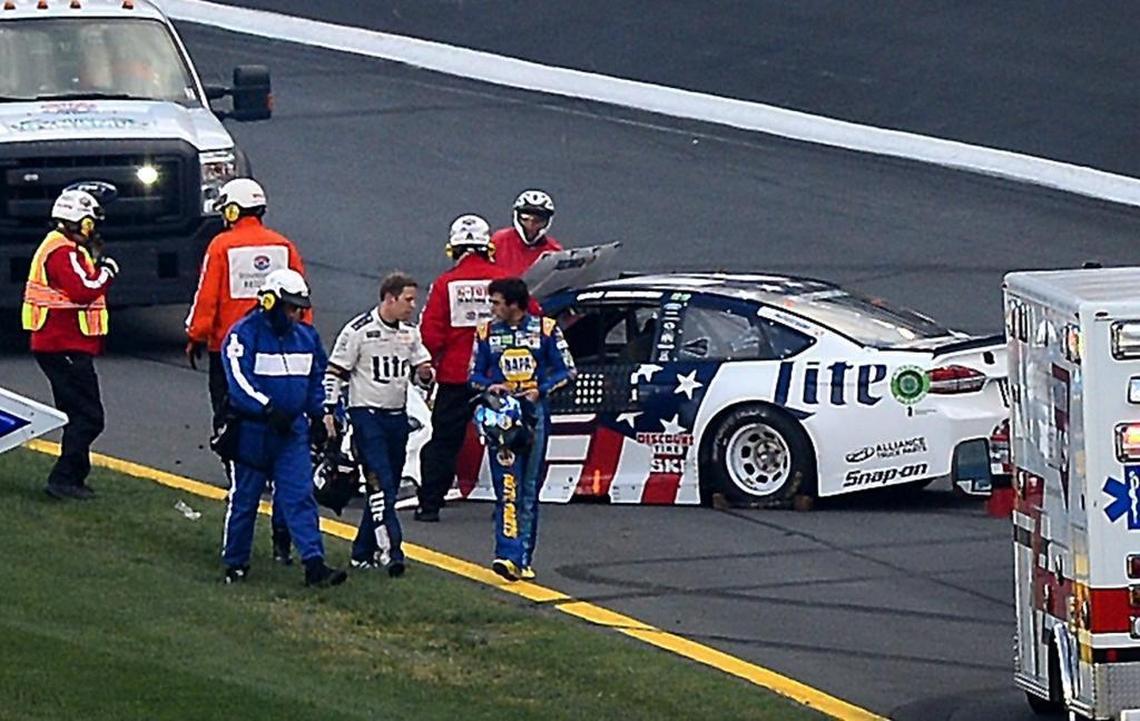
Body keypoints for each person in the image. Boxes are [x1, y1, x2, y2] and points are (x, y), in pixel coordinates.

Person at [184, 177, 308, 563]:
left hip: (230, 347)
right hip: (279, 349)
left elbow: (207, 297)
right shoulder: (283, 245)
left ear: (232, 210)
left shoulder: (221, 245)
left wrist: (195, 335)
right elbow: (302, 297)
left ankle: (242, 475)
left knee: (232, 415)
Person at [219, 269, 346, 587]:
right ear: (270, 301)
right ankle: (235, 563)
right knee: (245, 498)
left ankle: (314, 564)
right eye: (289, 307)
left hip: (292, 433)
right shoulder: (242, 335)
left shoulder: (307, 337)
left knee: (300, 496)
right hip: (253, 432)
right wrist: (266, 407)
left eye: (298, 308)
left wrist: (321, 414)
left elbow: (318, 379)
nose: (294, 314)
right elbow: (238, 381)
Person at [323, 272, 433, 576]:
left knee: (388, 486)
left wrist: (424, 373)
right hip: (366, 417)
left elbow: (420, 367)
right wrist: (329, 410)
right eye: (408, 300)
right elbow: (335, 372)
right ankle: (391, 551)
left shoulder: (410, 333)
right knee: (381, 485)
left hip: (396, 418)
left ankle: (361, 551)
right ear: (389, 298)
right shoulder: (358, 330)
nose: (412, 306)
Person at [469, 277, 576, 581]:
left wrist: (540, 390)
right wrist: (492, 386)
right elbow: (473, 374)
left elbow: (568, 370)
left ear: (514, 304)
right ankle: (507, 554)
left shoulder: (546, 329)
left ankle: (523, 557)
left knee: (528, 489)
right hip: (500, 417)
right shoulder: (485, 332)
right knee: (507, 488)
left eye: (497, 302)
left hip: (534, 415)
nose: (492, 308)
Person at [22, 188, 119, 501]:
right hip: (62, 346)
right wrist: (107, 272)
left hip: (59, 345)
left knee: (79, 414)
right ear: (81, 222)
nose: (94, 229)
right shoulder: (64, 252)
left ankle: (73, 477)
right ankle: (64, 479)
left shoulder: (59, 247)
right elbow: (82, 290)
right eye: (92, 223)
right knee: (88, 416)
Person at [490, 190, 563, 276]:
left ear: (547, 221)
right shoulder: (498, 241)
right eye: (525, 219)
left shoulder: (554, 250)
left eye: (538, 221)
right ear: (517, 217)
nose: (530, 225)